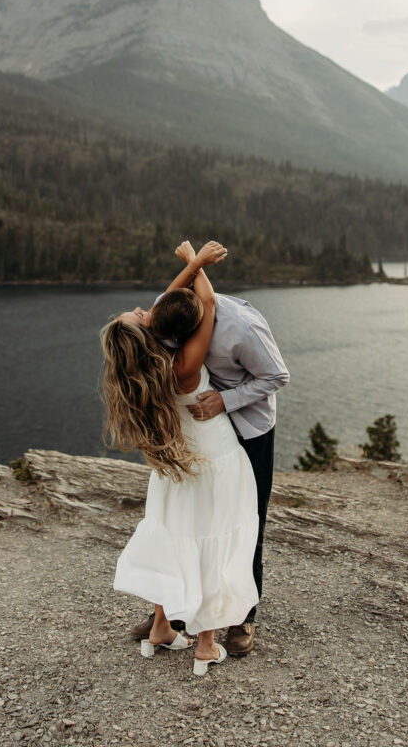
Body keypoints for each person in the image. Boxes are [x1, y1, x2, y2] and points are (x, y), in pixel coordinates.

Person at [122, 241, 290, 657]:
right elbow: (194, 300)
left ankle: (242, 618)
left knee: (245, 521)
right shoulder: (168, 326)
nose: (148, 317)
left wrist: (225, 400)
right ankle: (175, 615)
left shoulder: (241, 327)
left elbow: (277, 376)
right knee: (190, 523)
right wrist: (194, 262)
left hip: (247, 430)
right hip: (199, 440)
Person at [100, 241, 260, 675]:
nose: (141, 309)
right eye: (135, 314)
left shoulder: (143, 360)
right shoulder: (185, 366)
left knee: (174, 540)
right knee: (212, 540)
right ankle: (206, 645)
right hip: (212, 460)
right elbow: (203, 301)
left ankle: (161, 629)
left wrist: (190, 266)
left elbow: (164, 308)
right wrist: (198, 261)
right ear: (142, 328)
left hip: (173, 468)